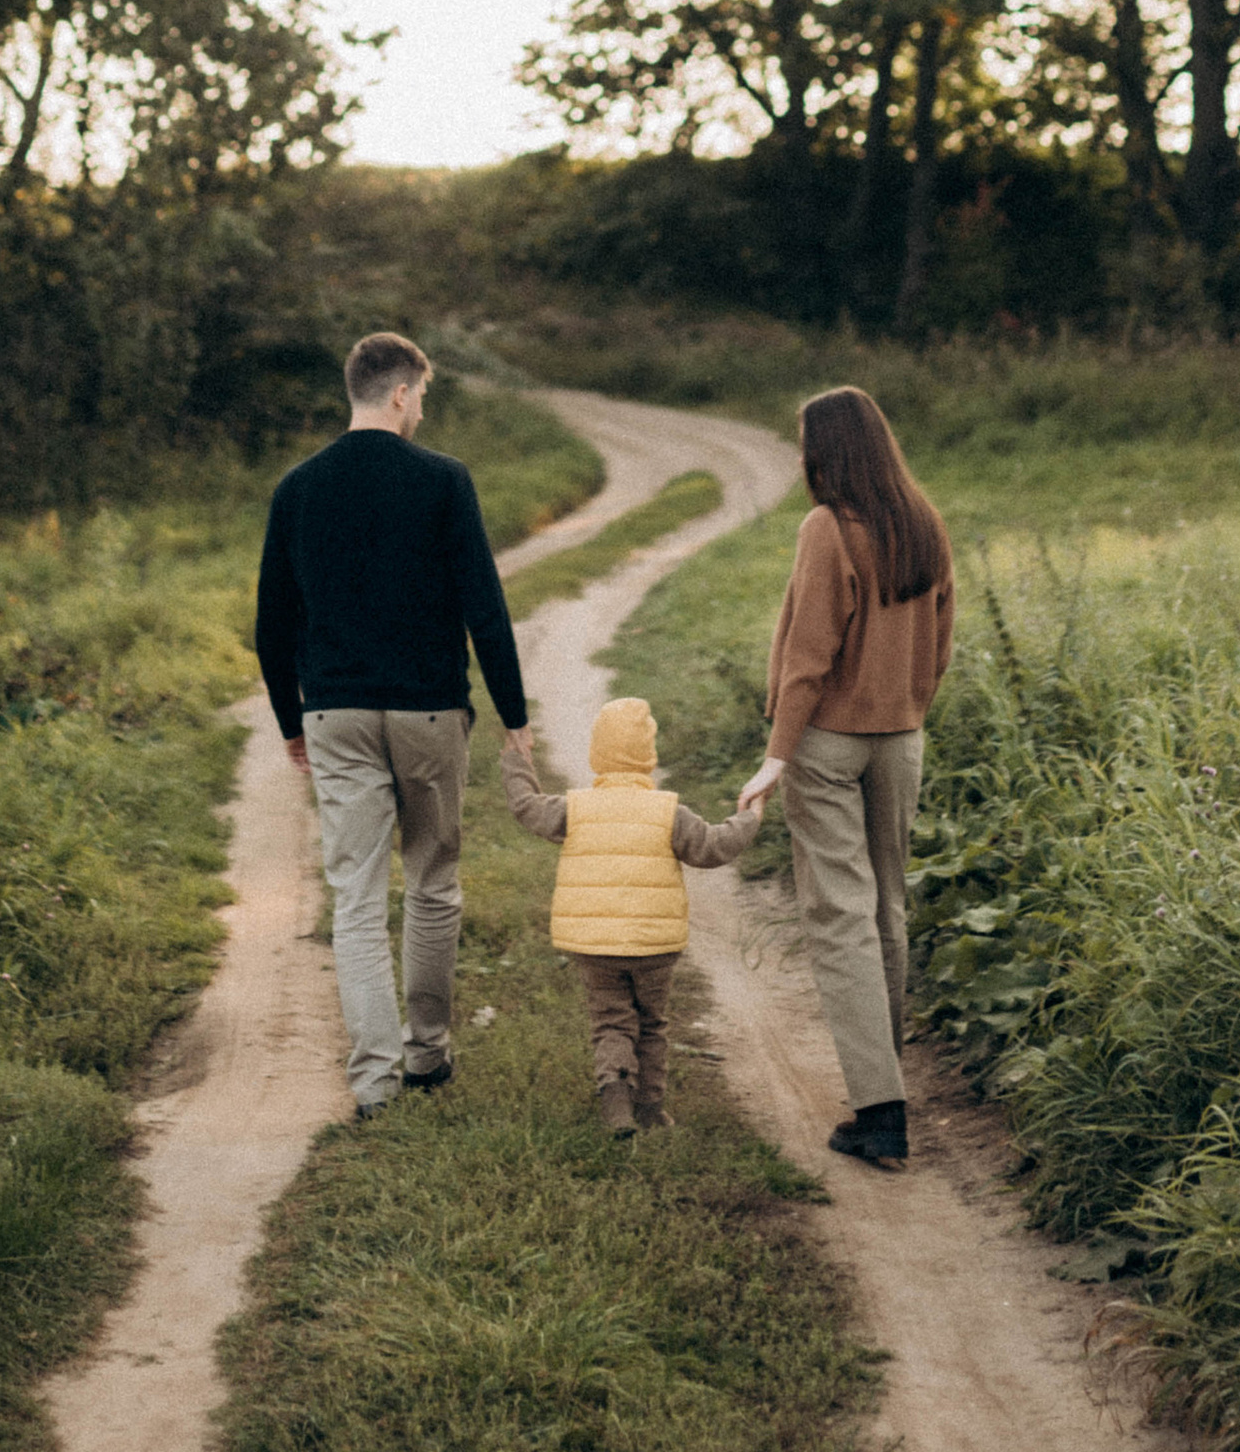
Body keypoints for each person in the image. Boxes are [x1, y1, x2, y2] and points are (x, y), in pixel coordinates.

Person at [255, 330, 532, 1119]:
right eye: (423, 397)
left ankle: (374, 1081)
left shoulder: (297, 488)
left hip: (334, 712)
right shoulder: (445, 480)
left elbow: (273, 622)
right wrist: (514, 714)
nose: (421, 411)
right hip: (430, 709)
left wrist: (290, 718)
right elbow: (485, 603)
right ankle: (428, 1054)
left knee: (357, 894)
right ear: (404, 392)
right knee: (434, 881)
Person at [736, 386, 954, 1171]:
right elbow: (940, 640)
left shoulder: (828, 527)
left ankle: (880, 1108)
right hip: (902, 740)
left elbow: (809, 653)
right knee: (887, 908)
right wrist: (907, 707)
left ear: (827, 449)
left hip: (829, 742)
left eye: (805, 444)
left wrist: (777, 755)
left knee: (840, 915)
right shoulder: (923, 521)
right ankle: (883, 1081)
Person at [502, 693, 770, 1135]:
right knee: (651, 1024)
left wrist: (517, 760)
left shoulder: (577, 808)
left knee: (611, 1020)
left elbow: (526, 808)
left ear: (596, 754)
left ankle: (615, 1098)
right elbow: (714, 847)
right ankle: (649, 1109)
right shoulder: (668, 811)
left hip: (595, 946)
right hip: (653, 946)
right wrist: (751, 817)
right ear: (649, 755)